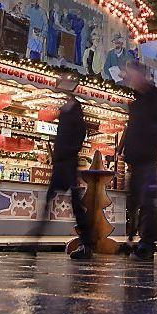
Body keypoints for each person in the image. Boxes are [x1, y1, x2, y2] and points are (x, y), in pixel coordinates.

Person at [32, 74, 93, 259]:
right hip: (62, 162)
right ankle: (34, 240)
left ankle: (86, 243)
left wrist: (67, 151)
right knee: (57, 200)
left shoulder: (74, 108)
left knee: (71, 204)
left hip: (66, 162)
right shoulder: (67, 107)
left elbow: (81, 133)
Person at [121, 61, 157, 260]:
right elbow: (131, 129)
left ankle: (147, 244)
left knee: (148, 203)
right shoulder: (136, 102)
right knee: (134, 201)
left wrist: (147, 137)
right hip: (135, 160)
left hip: (148, 159)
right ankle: (135, 239)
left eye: (132, 75)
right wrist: (126, 151)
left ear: (141, 76)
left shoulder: (155, 97)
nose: (130, 79)